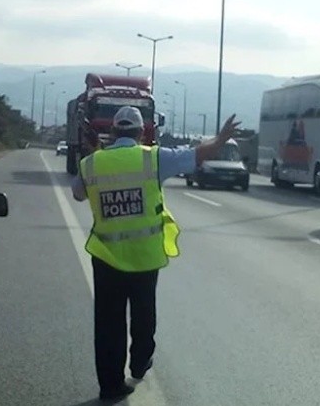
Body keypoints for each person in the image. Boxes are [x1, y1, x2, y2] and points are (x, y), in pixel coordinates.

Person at [71, 106, 240, 401]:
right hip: (144, 257)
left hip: (107, 257)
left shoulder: (92, 164)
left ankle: (110, 386)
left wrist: (94, 153)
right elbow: (197, 154)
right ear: (141, 133)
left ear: (113, 132)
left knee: (108, 323)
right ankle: (139, 362)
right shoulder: (153, 158)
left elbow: (78, 193)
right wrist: (222, 138)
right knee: (143, 315)